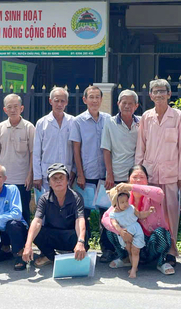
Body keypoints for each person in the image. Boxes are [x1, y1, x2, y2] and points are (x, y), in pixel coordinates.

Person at [135, 78, 181, 264]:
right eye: (155, 91)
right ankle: (151, 249)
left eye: (162, 91)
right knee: (150, 214)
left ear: (169, 94)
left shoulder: (178, 116)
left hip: (170, 175)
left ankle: (171, 250)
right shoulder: (146, 117)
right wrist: (138, 174)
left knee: (171, 213)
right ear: (150, 95)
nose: (158, 94)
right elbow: (141, 146)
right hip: (150, 175)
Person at [69, 85, 116, 263]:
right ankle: (84, 246)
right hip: (86, 175)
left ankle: (107, 249)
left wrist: (110, 173)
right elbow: (76, 149)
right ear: (85, 100)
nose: (95, 100)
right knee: (84, 213)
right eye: (91, 97)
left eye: (97, 97)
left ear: (101, 100)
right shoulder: (78, 121)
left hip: (104, 175)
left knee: (106, 214)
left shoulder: (108, 120)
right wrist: (79, 174)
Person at [102, 165, 175, 275]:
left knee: (162, 234)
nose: (138, 180)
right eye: (135, 177)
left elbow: (159, 193)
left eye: (142, 177)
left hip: (150, 242)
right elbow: (106, 218)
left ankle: (160, 262)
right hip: (129, 240)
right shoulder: (123, 197)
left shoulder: (152, 195)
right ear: (128, 179)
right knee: (110, 230)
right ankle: (125, 258)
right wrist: (121, 232)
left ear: (147, 181)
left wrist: (132, 187)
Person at [22, 163, 88, 267]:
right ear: (49, 183)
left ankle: (74, 255)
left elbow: (79, 220)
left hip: (70, 236)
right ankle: (51, 257)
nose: (58, 181)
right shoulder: (44, 199)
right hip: (53, 234)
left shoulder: (76, 197)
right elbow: (37, 221)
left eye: (61, 177)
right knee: (35, 232)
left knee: (84, 235)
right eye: (54, 178)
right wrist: (28, 245)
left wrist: (80, 242)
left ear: (67, 180)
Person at [0, 94, 35, 224]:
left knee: (23, 211)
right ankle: (4, 243)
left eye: (16, 106)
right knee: (2, 211)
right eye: (9, 107)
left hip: (22, 179)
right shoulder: (0, 127)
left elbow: (33, 153)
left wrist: (30, 175)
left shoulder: (29, 128)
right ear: (5, 110)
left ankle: (23, 242)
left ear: (21, 108)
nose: (13, 110)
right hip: (3, 179)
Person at [33, 87, 75, 191]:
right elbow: (36, 152)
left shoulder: (73, 122)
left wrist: (74, 170)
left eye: (62, 101)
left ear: (67, 102)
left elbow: (76, 150)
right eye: (56, 101)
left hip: (67, 174)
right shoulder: (42, 123)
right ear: (50, 101)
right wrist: (37, 176)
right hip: (46, 175)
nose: (59, 104)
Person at [109, 190, 154, 278]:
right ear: (115, 203)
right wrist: (121, 231)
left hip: (135, 229)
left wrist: (149, 212)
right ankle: (134, 266)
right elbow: (115, 224)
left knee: (135, 250)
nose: (125, 204)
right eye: (122, 202)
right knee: (129, 250)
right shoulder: (113, 214)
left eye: (126, 201)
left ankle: (133, 270)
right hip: (125, 231)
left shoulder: (131, 208)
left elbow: (140, 215)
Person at [102, 90, 140, 189]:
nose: (127, 106)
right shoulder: (110, 122)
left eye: (130, 103)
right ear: (118, 104)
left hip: (134, 175)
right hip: (116, 174)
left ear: (136, 106)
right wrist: (109, 174)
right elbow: (106, 150)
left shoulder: (141, 122)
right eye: (124, 103)